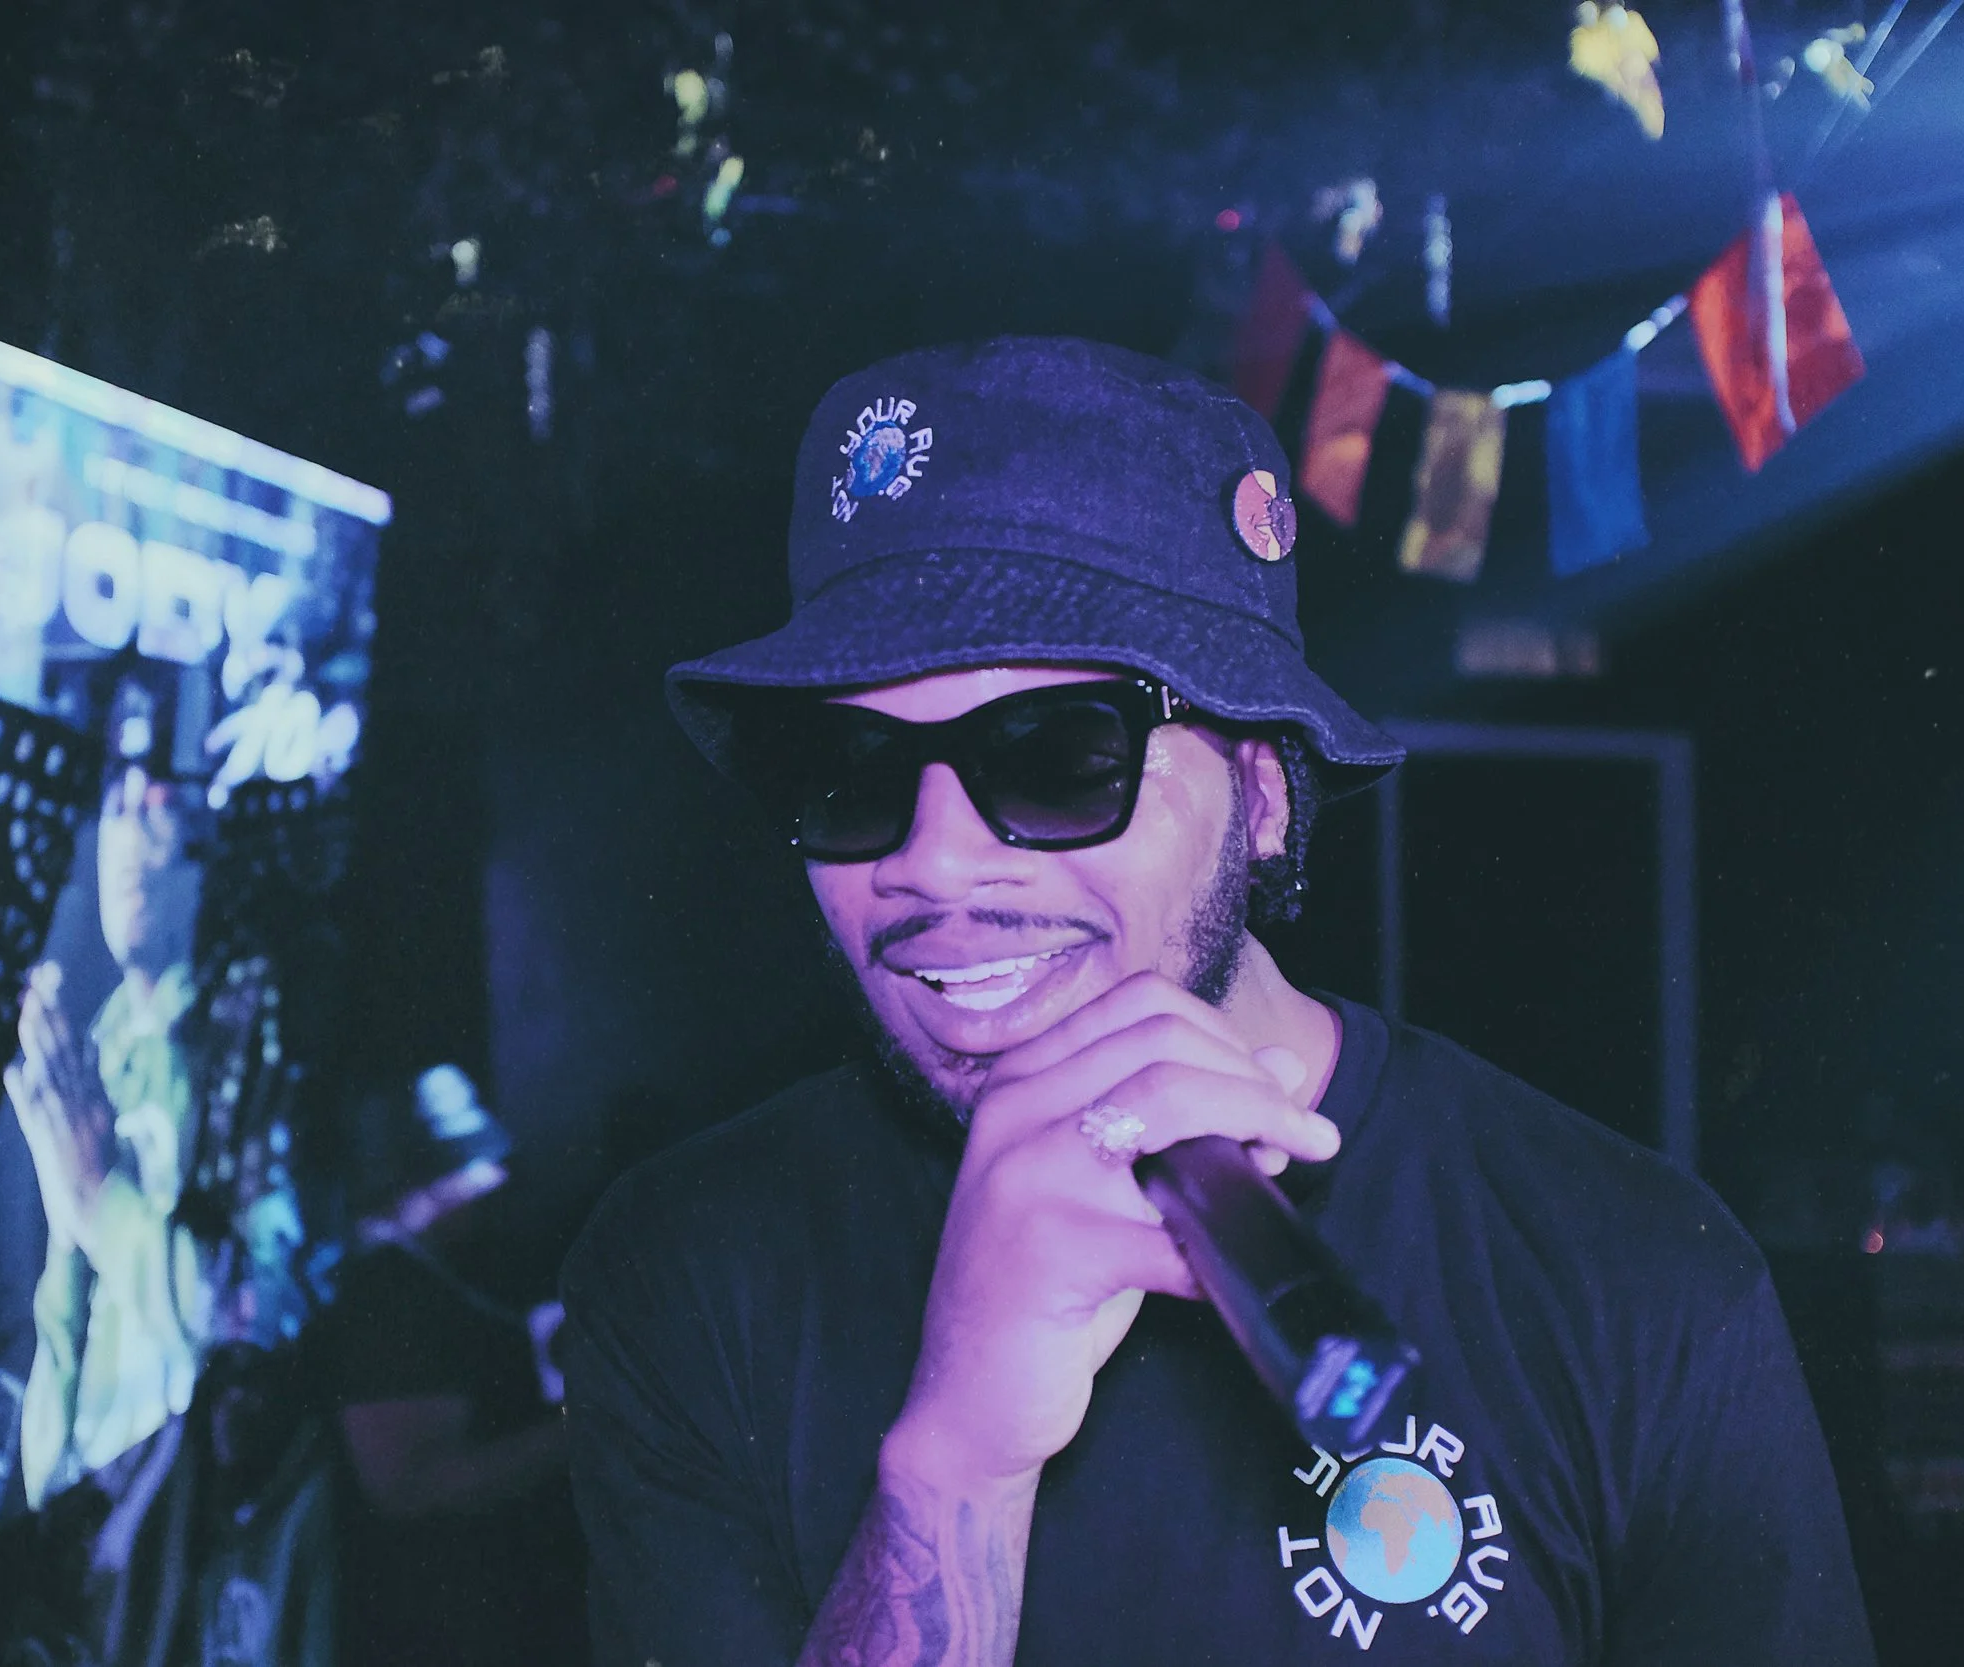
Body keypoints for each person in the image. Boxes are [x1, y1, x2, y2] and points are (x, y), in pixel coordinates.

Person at [559, 337, 1875, 1664]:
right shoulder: (689, 1266)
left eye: (1059, 751)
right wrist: (957, 1457)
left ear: (1262, 794)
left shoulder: (1631, 1273)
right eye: (848, 768)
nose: (934, 861)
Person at [320, 1066, 579, 1666]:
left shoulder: (421, 1276)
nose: (496, 1181)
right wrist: (577, 1429)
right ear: (428, 1177)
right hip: (442, 1621)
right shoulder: (387, 1296)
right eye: (476, 1165)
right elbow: (406, 1487)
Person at [7, 760, 211, 1509]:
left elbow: (232, 1317)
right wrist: (48, 1474)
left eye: (154, 803)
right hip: (86, 1495)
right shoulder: (104, 1042)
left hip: (175, 1504)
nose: (127, 834)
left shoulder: (236, 1038)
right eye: (114, 806)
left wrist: (99, 1201)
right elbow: (70, 1290)